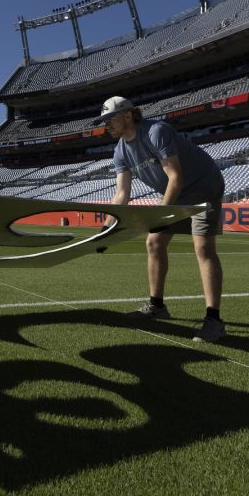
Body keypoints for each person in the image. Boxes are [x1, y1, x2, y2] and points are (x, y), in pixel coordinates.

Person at [93, 96, 227, 343]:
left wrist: (160, 216)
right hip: (179, 193)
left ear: (127, 116)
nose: (106, 126)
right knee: (153, 243)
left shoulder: (156, 131)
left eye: (109, 119)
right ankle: (157, 306)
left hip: (203, 188)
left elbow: (175, 177)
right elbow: (122, 194)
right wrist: (106, 229)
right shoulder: (120, 151)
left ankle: (214, 320)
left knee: (203, 248)